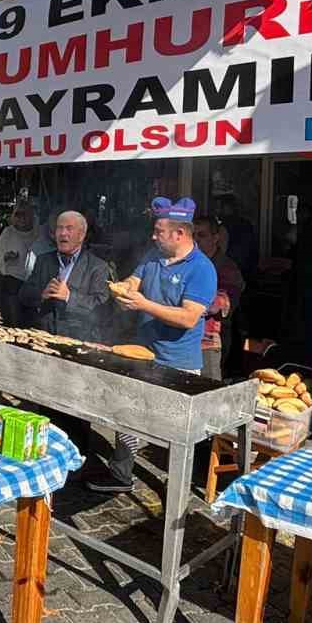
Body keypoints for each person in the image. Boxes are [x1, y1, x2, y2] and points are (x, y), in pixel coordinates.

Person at [86, 197, 218, 492]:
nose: (153, 236)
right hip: (144, 352)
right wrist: (124, 291)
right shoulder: (152, 256)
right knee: (127, 413)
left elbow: (187, 317)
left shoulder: (202, 269)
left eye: (159, 231)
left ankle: (178, 488)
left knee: (173, 428)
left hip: (179, 362)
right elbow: (133, 280)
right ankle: (121, 475)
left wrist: (144, 304)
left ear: (180, 234)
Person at [20, 211, 113, 343]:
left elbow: (103, 309)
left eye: (69, 228)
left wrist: (69, 297)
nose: (63, 233)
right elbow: (24, 295)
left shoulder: (97, 266)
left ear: (81, 235)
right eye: (59, 228)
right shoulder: (43, 260)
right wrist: (42, 294)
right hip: (44, 337)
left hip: (79, 341)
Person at [193, 214, 245, 380]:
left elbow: (224, 302)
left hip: (208, 342)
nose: (196, 240)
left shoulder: (226, 268)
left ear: (216, 238)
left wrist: (189, 303)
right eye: (192, 235)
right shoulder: (188, 262)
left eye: (202, 235)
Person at [0, 201, 41, 326]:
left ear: (31, 215)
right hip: (12, 284)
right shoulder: (8, 233)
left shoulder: (39, 233)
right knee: (13, 322)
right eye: (18, 215)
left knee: (32, 322)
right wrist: (6, 257)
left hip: (35, 283)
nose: (21, 218)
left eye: (25, 214)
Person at [214, 195, 258, 279]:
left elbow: (222, 253)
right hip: (248, 272)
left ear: (229, 208)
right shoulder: (246, 223)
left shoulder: (225, 227)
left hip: (232, 273)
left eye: (220, 207)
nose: (217, 211)